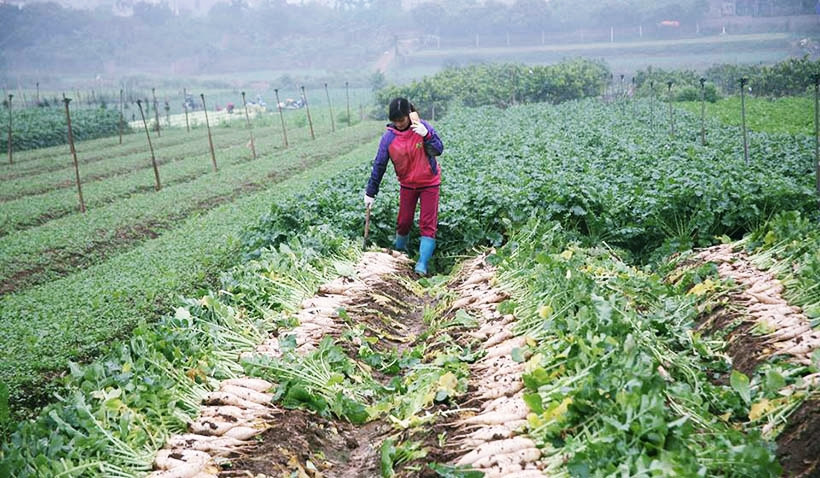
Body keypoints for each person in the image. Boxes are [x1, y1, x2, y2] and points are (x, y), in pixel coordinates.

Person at [364, 98, 444, 275]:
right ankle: (400, 255)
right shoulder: (389, 138)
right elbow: (379, 164)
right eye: (396, 121)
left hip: (429, 183)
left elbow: (438, 149)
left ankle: (422, 265)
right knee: (404, 222)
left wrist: (427, 136)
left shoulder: (423, 128)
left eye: (402, 120)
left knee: (427, 223)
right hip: (407, 184)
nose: (399, 124)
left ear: (409, 115)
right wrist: (371, 192)